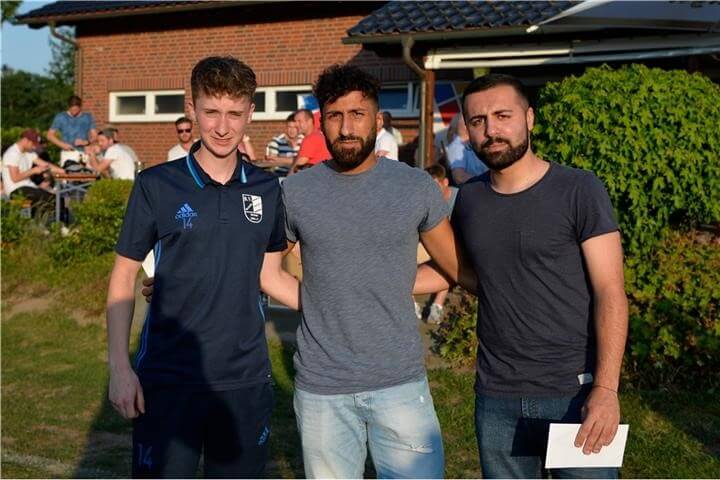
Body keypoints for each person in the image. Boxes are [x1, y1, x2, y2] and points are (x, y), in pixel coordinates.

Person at [416, 73, 628, 479]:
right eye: (477, 121)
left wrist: (605, 389)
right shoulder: (470, 200)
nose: (491, 130)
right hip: (498, 396)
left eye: (502, 115)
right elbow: (459, 274)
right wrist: (369, 275)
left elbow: (610, 292)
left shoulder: (579, 189)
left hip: (575, 392)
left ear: (529, 118)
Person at [106, 56, 299, 478]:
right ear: (191, 109)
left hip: (244, 381)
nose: (223, 127)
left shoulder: (267, 189)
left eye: (234, 113)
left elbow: (271, 276)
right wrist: (120, 368)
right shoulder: (157, 185)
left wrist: (338, 302)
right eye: (211, 111)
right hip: (168, 379)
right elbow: (123, 277)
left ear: (251, 112)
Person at [281, 64, 457, 478]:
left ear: (378, 120)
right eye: (335, 116)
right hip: (322, 386)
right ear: (321, 123)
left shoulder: (415, 187)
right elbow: (262, 268)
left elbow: (455, 268)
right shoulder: (295, 192)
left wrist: (389, 282)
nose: (346, 128)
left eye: (357, 114)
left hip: (399, 379)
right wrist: (186, 275)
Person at [416, 164, 458, 324]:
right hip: (428, 243)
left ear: (445, 182)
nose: (431, 191)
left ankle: (437, 305)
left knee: (447, 260)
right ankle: (410, 304)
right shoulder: (425, 202)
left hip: (451, 246)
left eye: (435, 185)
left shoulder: (460, 197)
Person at [1, 129, 63, 215]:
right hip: (15, 190)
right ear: (25, 140)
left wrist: (63, 171)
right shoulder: (12, 154)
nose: (35, 147)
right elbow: (15, 178)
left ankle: (50, 225)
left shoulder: (29, 152)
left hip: (28, 187)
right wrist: (33, 171)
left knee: (58, 199)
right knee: (49, 200)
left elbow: (46, 165)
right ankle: (55, 225)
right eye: (33, 144)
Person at [446, 112, 487, 184]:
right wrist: (485, 182)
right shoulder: (457, 147)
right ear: (464, 126)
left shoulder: (471, 143)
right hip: (474, 189)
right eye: (473, 122)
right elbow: (459, 177)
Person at [290, 108, 331, 172]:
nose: (296, 125)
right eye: (295, 121)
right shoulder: (318, 136)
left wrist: (286, 181)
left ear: (309, 121)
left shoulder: (311, 139)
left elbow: (297, 168)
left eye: (299, 121)